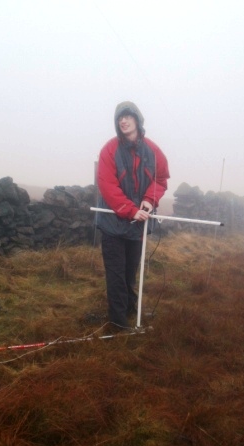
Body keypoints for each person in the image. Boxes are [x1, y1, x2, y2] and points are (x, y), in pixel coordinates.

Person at [96, 101, 170, 329]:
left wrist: (149, 201)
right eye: (120, 118)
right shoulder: (109, 150)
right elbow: (107, 185)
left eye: (128, 116)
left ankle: (129, 309)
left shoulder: (153, 151)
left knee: (130, 272)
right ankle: (118, 324)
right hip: (113, 224)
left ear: (137, 120)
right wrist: (130, 210)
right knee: (116, 275)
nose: (124, 121)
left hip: (138, 227)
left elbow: (160, 178)